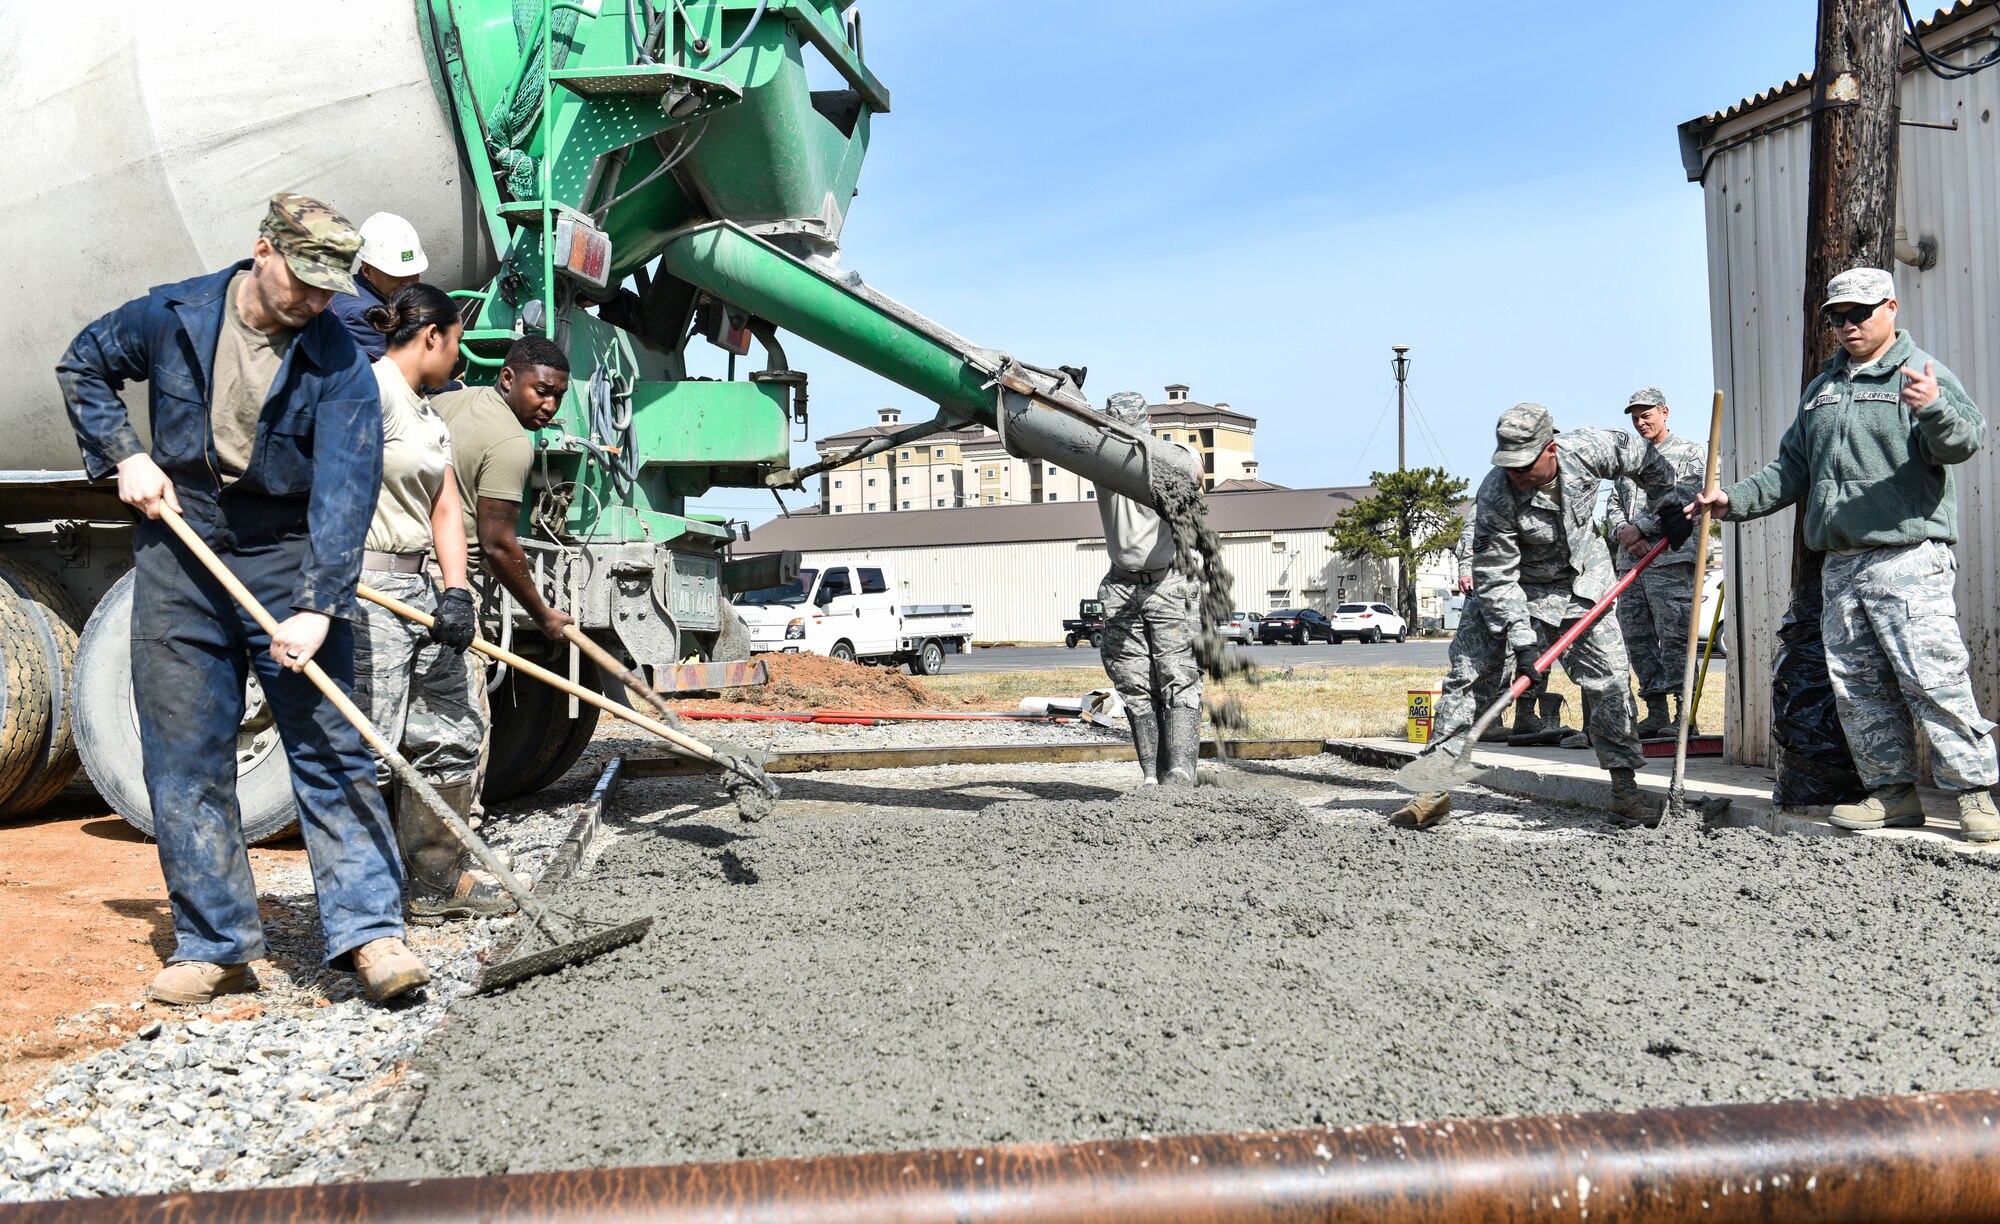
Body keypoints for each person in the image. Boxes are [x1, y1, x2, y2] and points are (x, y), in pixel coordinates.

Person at [56, 193, 428, 1004]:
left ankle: (371, 933)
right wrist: (122, 454)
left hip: (289, 552)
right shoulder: (174, 315)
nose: (317, 301)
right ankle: (216, 943)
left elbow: (346, 485)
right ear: (264, 251)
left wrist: (318, 604)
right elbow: (83, 363)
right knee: (184, 754)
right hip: (180, 548)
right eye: (304, 281)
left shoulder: (338, 360)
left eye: (332, 288)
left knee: (331, 749)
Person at [1688, 267, 1998, 841]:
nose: (1848, 325)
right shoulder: (1822, 390)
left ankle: (1976, 795)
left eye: (1860, 313)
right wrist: (1731, 501)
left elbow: (1963, 442)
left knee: (1934, 679)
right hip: (1840, 565)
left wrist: (1931, 407)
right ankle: (1892, 793)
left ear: (1891, 308)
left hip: (1907, 557)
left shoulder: (1921, 374)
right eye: (1838, 317)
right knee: (1859, 686)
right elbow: (1791, 470)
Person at [1393, 404, 1689, 829]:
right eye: (1507, 466)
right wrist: (1523, 641)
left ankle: (1625, 791)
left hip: (1581, 583)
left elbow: (1646, 461)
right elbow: (1495, 575)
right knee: (1468, 676)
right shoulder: (1496, 492)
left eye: (1524, 466)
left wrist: (1666, 508)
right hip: (1515, 586)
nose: (1515, 475)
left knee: (1610, 681)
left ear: (1551, 449)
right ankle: (1433, 791)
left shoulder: (1590, 448)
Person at [352, 284, 514, 920]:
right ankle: (364, 904)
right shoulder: (367, 393)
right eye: (457, 344)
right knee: (371, 747)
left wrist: (455, 588)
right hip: (366, 588)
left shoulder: (426, 413)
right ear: (431, 337)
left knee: (453, 731)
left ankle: (436, 879)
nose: (459, 359)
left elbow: (445, 504)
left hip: (419, 589)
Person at [1092, 390, 1205, 786]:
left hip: (1169, 583)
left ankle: (1180, 774)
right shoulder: (1097, 457)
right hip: (1122, 586)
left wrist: (1155, 456)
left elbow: (1194, 469)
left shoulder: (1171, 455)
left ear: (1149, 427)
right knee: (1135, 683)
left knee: (1179, 676)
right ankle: (1151, 778)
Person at [431, 336, 576, 642]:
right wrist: (543, 614)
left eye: (558, 397)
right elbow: (497, 544)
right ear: (508, 378)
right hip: (443, 581)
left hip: (399, 570)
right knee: (465, 687)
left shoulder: (448, 400)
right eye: (541, 392)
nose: (550, 406)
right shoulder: (511, 441)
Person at [1603, 387, 1707, 737]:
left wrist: (1642, 528)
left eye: (1646, 414)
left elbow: (1685, 497)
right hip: (1631, 564)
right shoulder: (1628, 458)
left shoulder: (1689, 452)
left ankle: (1684, 714)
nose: (1640, 421)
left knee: (1676, 637)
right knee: (1637, 638)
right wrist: (1624, 532)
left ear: (1664, 412)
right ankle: (1656, 711)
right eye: (1634, 416)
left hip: (1669, 560)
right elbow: (1613, 505)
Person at [329, 212, 429, 361]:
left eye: (414, 273)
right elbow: (405, 373)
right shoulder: (362, 316)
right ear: (367, 270)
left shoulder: (355, 289)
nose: (410, 282)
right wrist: (461, 385)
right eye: (398, 274)